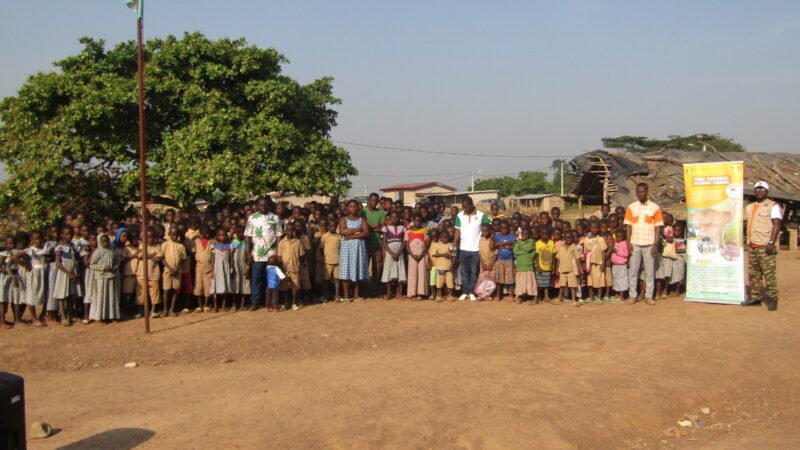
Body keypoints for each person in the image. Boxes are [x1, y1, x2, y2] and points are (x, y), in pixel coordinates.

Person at [743, 181, 782, 310]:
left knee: (769, 274)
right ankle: (755, 297)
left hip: (765, 245)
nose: (760, 191)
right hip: (752, 245)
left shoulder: (773, 206)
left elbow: (776, 224)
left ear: (767, 191)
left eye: (762, 189)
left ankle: (772, 298)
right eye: (757, 189)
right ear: (754, 191)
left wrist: (771, 242)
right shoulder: (749, 207)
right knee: (754, 274)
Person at [624, 183, 664, 305]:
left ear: (647, 192)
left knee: (649, 272)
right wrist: (628, 243)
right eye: (638, 192)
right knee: (633, 271)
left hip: (649, 244)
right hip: (635, 243)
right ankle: (632, 295)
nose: (640, 194)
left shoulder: (655, 208)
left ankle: (649, 296)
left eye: (642, 192)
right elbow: (628, 226)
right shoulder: (631, 207)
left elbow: (658, 228)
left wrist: (655, 245)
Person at [245, 197, 282, 310]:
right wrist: (248, 253)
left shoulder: (274, 217)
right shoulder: (252, 218)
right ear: (257, 206)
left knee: (271, 280)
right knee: (256, 280)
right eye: (261, 205)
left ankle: (271, 302)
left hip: (271, 254)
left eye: (265, 205)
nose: (263, 207)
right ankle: (255, 302)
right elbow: (248, 236)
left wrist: (278, 253)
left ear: (268, 206)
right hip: (257, 254)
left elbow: (278, 235)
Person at [454, 198, 491, 301]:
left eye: (467, 207)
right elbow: (457, 230)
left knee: (474, 272)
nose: (465, 209)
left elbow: (488, 227)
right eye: (463, 207)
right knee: (464, 272)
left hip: (475, 249)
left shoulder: (481, 215)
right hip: (463, 249)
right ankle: (465, 292)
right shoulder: (459, 216)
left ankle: (471, 292)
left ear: (472, 205)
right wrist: (454, 243)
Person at [338, 200, 370, 301]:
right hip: (346, 249)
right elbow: (343, 231)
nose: (353, 208)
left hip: (359, 249)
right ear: (347, 208)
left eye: (355, 206)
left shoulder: (362, 220)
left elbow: (366, 233)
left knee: (358, 269)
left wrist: (350, 236)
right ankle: (346, 295)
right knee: (346, 270)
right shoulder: (343, 219)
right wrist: (357, 229)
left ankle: (356, 294)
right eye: (351, 206)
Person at [53, 226, 82, 326]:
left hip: (72, 273)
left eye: (70, 234)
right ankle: (63, 317)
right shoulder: (60, 247)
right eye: (67, 234)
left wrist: (76, 273)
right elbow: (58, 263)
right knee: (61, 295)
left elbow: (76, 260)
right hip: (64, 273)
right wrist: (68, 273)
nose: (69, 236)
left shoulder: (74, 247)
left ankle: (70, 316)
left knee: (70, 295)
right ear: (62, 235)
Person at [88, 233, 121, 322]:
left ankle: (112, 315)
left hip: (111, 276)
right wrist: (102, 267)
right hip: (101, 277)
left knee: (111, 296)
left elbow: (117, 261)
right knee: (101, 296)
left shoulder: (112, 250)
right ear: (100, 242)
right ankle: (101, 317)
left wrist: (115, 267)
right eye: (103, 242)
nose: (106, 243)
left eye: (107, 241)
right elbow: (92, 264)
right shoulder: (98, 251)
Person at [360, 193, 386, 296]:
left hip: (377, 244)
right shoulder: (362, 212)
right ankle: (364, 289)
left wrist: (369, 228)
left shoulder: (381, 212)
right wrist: (375, 227)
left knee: (377, 268)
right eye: (372, 200)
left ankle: (375, 289)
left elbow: (382, 227)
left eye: (376, 201)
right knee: (364, 268)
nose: (374, 203)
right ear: (369, 200)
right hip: (365, 244)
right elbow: (362, 227)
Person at [22, 231, 48, 326]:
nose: (39, 240)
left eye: (40, 238)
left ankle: (42, 314)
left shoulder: (45, 248)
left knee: (46, 294)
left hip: (44, 273)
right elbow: (16, 257)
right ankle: (34, 317)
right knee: (32, 295)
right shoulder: (29, 250)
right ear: (32, 240)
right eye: (36, 239)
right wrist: (26, 265)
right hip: (34, 275)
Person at [161, 226, 188, 316]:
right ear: (169, 234)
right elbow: (162, 258)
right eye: (173, 235)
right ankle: (165, 309)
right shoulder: (165, 245)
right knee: (166, 290)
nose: (175, 237)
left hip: (177, 271)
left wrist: (176, 269)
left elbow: (183, 259)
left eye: (176, 235)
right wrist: (170, 268)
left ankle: (172, 309)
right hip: (168, 270)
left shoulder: (181, 246)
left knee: (175, 290)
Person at [137, 228, 163, 318]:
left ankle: (154, 310)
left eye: (152, 237)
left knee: (154, 293)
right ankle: (141, 311)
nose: (151, 239)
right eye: (148, 237)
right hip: (142, 274)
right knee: (142, 294)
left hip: (153, 274)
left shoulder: (158, 247)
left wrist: (147, 255)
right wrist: (152, 255)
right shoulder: (141, 246)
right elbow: (140, 256)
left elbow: (158, 258)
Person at [278, 224, 305, 310]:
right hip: (285, 268)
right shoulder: (282, 242)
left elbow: (301, 256)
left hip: (295, 268)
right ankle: (285, 303)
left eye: (292, 230)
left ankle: (294, 303)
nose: (290, 232)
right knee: (284, 287)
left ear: (294, 231)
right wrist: (281, 268)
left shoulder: (298, 242)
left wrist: (300, 268)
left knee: (295, 287)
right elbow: (279, 256)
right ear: (285, 231)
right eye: (288, 230)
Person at [381, 212, 407, 300]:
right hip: (390, 251)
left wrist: (398, 253)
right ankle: (389, 293)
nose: (394, 219)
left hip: (399, 251)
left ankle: (399, 293)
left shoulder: (403, 228)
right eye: (392, 217)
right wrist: (392, 253)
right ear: (390, 219)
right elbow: (384, 242)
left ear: (399, 218)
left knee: (401, 270)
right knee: (388, 270)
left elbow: (404, 242)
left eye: (396, 217)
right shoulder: (386, 228)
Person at [405, 213, 430, 301]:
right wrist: (411, 254)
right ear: (413, 221)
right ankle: (412, 293)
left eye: (419, 221)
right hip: (412, 255)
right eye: (416, 220)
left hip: (422, 255)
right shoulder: (408, 231)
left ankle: (420, 293)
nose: (417, 222)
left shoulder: (424, 231)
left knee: (421, 274)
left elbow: (426, 245)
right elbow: (407, 245)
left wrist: (421, 254)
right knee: (412, 274)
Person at [583, 221, 609, 303]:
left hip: (598, 263)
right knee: (590, 280)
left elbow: (603, 252)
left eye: (596, 228)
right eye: (593, 228)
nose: (594, 229)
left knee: (599, 281)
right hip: (589, 264)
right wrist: (584, 264)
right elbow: (585, 252)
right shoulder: (586, 240)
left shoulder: (600, 239)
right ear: (589, 228)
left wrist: (603, 263)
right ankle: (591, 296)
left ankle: (599, 297)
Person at [210, 229, 234, 312]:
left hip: (226, 268)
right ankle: (215, 306)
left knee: (225, 286)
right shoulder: (214, 246)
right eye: (220, 235)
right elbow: (212, 259)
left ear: (226, 236)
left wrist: (231, 269)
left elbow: (231, 259)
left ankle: (224, 305)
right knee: (215, 287)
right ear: (217, 236)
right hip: (217, 268)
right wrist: (212, 270)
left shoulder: (229, 246)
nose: (222, 236)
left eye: (223, 235)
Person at [492, 221, 516, 302]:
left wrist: (509, 246)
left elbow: (514, 245)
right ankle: (499, 295)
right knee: (499, 279)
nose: (504, 230)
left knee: (510, 279)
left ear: (508, 228)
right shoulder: (497, 235)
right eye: (502, 228)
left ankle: (511, 295)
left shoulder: (512, 236)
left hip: (509, 260)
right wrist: (502, 243)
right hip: (500, 260)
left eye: (506, 228)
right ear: (500, 228)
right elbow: (494, 244)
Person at [555, 231, 580, 306]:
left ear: (572, 238)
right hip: (562, 269)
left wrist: (579, 268)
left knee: (572, 286)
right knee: (562, 285)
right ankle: (560, 297)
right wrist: (557, 268)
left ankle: (573, 299)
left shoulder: (574, 247)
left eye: (570, 238)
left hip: (571, 270)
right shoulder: (561, 247)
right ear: (564, 238)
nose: (568, 239)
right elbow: (558, 258)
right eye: (567, 238)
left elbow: (577, 259)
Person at [513, 228, 537, 303]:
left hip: (528, 265)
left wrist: (521, 248)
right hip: (520, 266)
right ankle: (520, 296)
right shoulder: (518, 242)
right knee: (520, 282)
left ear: (529, 235)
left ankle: (534, 297)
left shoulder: (531, 241)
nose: (524, 236)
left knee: (530, 282)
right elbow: (515, 251)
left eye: (526, 234)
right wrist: (525, 252)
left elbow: (529, 248)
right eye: (522, 234)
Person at [319, 219, 341, 302]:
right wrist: (323, 258)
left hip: (337, 261)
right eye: (331, 226)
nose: (333, 227)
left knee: (337, 279)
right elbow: (321, 248)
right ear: (328, 227)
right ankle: (325, 296)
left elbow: (340, 247)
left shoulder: (338, 236)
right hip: (327, 261)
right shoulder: (325, 236)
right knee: (326, 280)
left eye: (335, 226)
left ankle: (337, 295)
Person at [429, 230, 454, 302]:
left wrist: (452, 264)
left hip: (448, 266)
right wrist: (443, 255)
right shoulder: (438, 245)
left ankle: (450, 295)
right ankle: (439, 295)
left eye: (447, 238)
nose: (445, 239)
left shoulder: (450, 245)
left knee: (449, 280)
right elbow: (433, 254)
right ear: (440, 238)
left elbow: (453, 254)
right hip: (440, 266)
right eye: (443, 238)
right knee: (440, 281)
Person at [230, 225, 250, 310]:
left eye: (241, 232)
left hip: (244, 266)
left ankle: (243, 304)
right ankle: (234, 304)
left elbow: (248, 256)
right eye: (238, 232)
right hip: (235, 266)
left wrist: (248, 268)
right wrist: (232, 267)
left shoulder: (246, 243)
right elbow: (231, 255)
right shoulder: (234, 242)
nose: (240, 234)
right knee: (235, 285)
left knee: (243, 285)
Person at [535, 228, 556, 303]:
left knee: (546, 283)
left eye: (546, 234)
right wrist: (538, 266)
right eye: (543, 234)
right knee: (539, 284)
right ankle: (537, 297)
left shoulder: (551, 242)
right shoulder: (537, 243)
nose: (545, 235)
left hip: (548, 266)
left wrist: (553, 265)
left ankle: (546, 297)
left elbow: (553, 255)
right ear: (540, 234)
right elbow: (537, 256)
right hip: (541, 267)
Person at [610, 229, 630, 302]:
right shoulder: (616, 243)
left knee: (622, 280)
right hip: (615, 265)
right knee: (616, 280)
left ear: (623, 237)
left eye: (620, 237)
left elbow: (626, 254)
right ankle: (618, 294)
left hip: (621, 265)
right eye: (617, 237)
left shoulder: (625, 243)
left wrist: (617, 252)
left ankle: (621, 295)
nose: (618, 238)